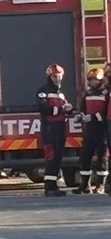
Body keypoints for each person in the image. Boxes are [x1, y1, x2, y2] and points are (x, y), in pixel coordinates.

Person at [37, 64, 75, 197]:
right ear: (49, 77)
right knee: (51, 156)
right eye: (55, 76)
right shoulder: (43, 91)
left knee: (58, 157)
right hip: (49, 128)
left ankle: (54, 185)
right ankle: (49, 187)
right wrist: (60, 110)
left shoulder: (61, 94)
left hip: (60, 128)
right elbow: (43, 108)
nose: (58, 78)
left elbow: (67, 110)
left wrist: (69, 110)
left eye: (59, 76)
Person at [73, 68, 109, 194]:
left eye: (96, 80)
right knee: (85, 155)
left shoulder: (106, 94)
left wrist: (93, 117)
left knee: (102, 156)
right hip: (89, 129)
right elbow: (82, 107)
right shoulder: (87, 94)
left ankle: (100, 185)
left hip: (102, 129)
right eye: (91, 80)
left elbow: (106, 112)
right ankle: (84, 185)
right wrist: (80, 115)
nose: (93, 82)